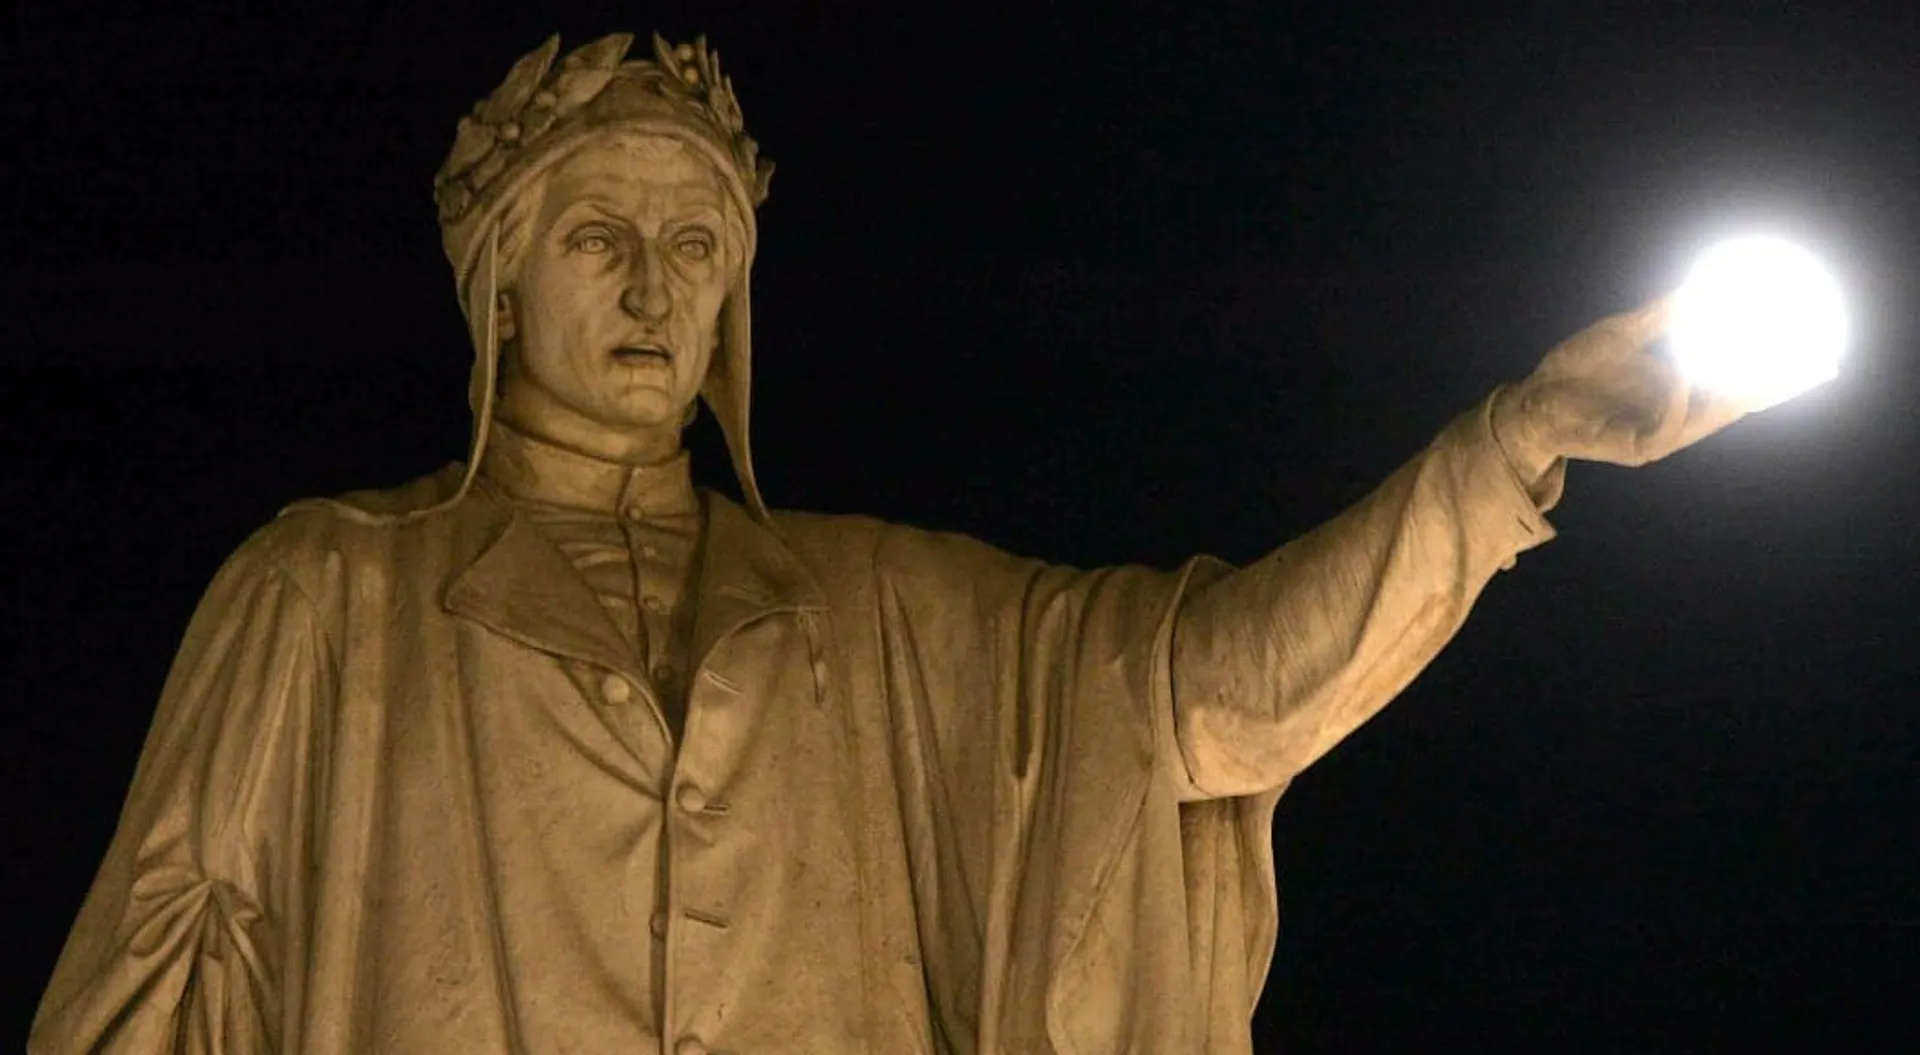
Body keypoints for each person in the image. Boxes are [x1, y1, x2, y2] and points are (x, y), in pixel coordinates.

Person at [30, 32, 1746, 1055]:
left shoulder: (889, 614)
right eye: (599, 238)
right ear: (497, 282)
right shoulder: (327, 593)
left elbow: (1210, 701)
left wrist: (1501, 455)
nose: (653, 287)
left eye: (696, 242)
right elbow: (147, 996)